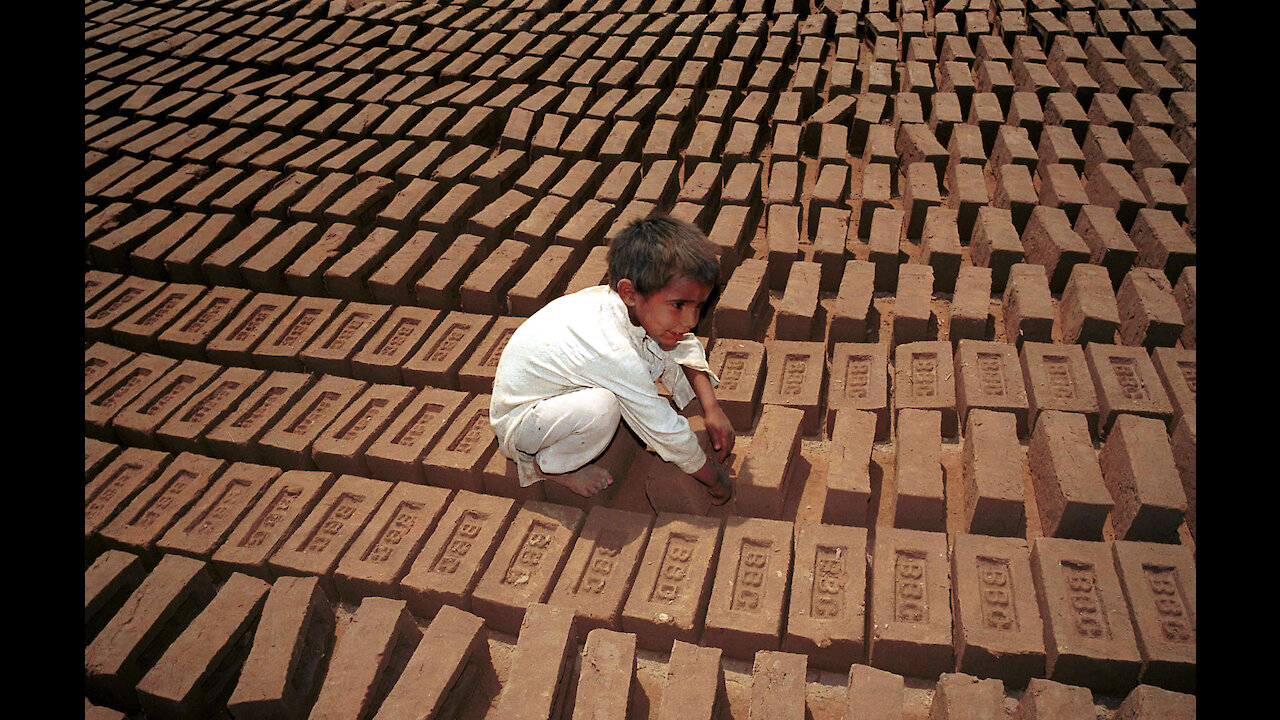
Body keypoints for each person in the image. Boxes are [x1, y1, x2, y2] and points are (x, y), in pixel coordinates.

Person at [489, 214, 736, 501]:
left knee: (661, 348)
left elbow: (684, 347)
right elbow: (661, 428)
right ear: (629, 293)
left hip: (558, 396)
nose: (691, 320)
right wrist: (713, 478)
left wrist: (711, 408)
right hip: (522, 421)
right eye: (679, 305)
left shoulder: (632, 311)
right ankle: (549, 467)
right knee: (605, 408)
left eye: (698, 306)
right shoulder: (613, 350)